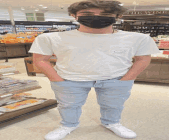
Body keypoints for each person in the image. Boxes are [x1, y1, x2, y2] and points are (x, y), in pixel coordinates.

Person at [28, 0, 160, 140]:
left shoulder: (138, 38)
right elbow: (40, 60)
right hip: (69, 79)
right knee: (67, 106)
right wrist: (57, 79)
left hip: (116, 78)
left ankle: (112, 123)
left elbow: (143, 59)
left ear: (118, 16)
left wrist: (127, 78)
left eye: (106, 13)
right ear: (74, 15)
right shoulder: (50, 38)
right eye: (87, 13)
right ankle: (68, 125)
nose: (97, 17)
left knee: (114, 105)